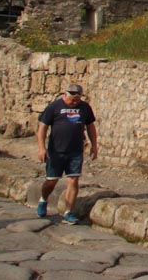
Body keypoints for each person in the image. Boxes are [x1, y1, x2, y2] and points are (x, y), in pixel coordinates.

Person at [36, 83, 98, 223]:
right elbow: (42, 128)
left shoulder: (84, 107)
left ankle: (68, 212)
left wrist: (94, 145)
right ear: (65, 94)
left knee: (73, 180)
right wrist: (41, 148)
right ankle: (43, 199)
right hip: (56, 151)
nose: (75, 101)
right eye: (73, 99)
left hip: (75, 151)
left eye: (78, 98)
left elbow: (90, 126)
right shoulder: (54, 107)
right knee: (52, 181)